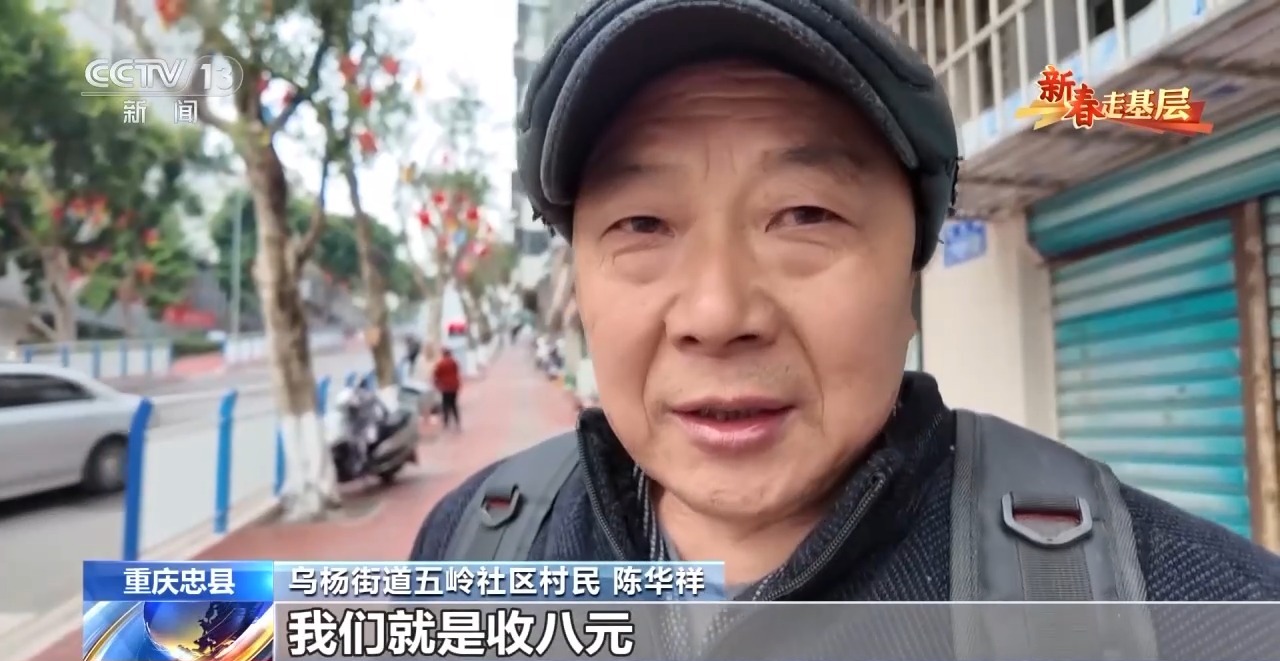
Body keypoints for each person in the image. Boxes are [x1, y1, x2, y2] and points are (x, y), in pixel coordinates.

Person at [412, 0, 1280, 648]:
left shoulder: (1198, 616)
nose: (718, 314)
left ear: (911, 271)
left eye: (805, 215)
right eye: (643, 223)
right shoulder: (470, 549)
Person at [432, 348, 461, 432]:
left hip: (445, 387)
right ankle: (457, 421)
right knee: (454, 404)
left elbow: (436, 374)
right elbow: (456, 372)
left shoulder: (440, 364)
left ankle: (446, 422)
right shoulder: (454, 362)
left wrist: (436, 384)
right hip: (454, 386)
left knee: (445, 404)